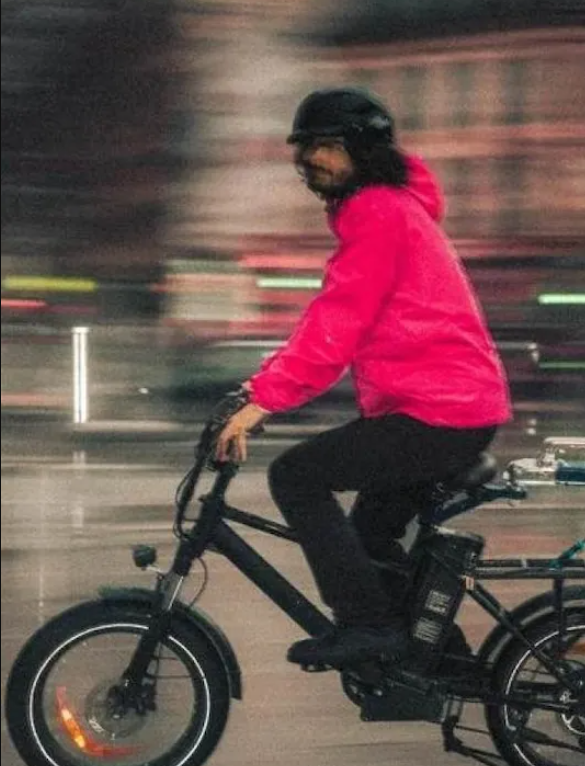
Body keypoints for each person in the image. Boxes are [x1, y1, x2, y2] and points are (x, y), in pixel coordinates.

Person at [214, 88, 512, 669]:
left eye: (324, 147)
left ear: (361, 149)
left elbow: (337, 319)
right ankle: (438, 657)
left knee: (297, 477)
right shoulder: (384, 209)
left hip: (440, 413)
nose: (309, 161)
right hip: (443, 411)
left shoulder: (379, 212)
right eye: (302, 149)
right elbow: (335, 319)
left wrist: (264, 400)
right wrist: (257, 390)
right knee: (367, 540)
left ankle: (369, 627)